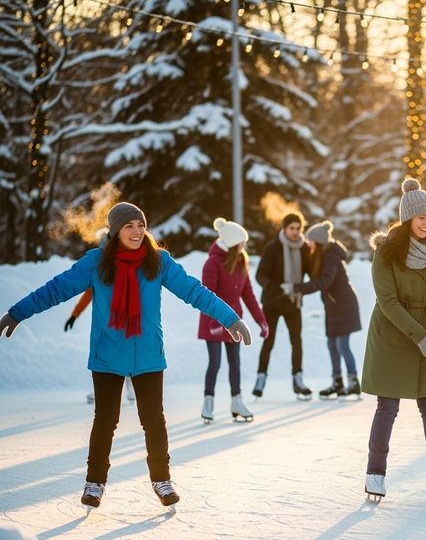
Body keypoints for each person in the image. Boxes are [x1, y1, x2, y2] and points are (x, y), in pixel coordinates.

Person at [0, 202, 251, 510]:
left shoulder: (158, 262)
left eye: (141, 225)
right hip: (108, 354)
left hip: (147, 354)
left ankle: (162, 480)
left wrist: (230, 318)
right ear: (116, 230)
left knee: (154, 420)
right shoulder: (96, 263)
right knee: (105, 419)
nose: (136, 231)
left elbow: (194, 291)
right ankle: (94, 484)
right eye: (129, 226)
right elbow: (55, 290)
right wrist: (17, 313)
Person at [362, 178, 426, 502]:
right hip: (392, 334)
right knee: (387, 405)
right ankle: (375, 473)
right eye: (421, 217)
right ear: (407, 219)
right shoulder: (386, 253)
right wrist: (422, 337)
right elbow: (388, 302)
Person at [198, 218, 268, 423]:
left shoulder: (240, 262)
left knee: (235, 362)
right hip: (213, 324)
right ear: (232, 243)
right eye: (241, 242)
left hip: (234, 323)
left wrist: (261, 321)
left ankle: (236, 401)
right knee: (215, 362)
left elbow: (249, 296)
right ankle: (208, 401)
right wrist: (214, 323)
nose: (244, 245)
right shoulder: (212, 263)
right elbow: (206, 295)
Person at [284, 220, 361, 399]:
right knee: (332, 344)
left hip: (344, 305)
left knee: (342, 345)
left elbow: (322, 282)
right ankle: (337, 382)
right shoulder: (323, 256)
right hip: (334, 306)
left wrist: (295, 287)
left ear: (318, 242)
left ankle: (353, 382)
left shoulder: (331, 257)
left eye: (310, 241)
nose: (308, 243)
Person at [252, 212, 312, 400]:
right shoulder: (274, 248)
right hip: (272, 302)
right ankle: (260, 378)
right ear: (284, 229)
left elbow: (312, 272)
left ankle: (298, 379)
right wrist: (275, 288)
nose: (295, 232)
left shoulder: (304, 248)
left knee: (297, 341)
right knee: (268, 341)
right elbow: (260, 274)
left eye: (298, 229)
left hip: (293, 303)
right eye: (291, 228)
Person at [65, 286, 135, 405]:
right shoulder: (101, 273)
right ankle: (100, 390)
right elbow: (88, 294)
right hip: (107, 326)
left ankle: (129, 386)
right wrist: (75, 314)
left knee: (125, 354)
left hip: (127, 322)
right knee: (106, 359)